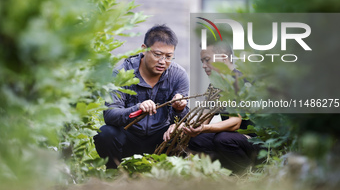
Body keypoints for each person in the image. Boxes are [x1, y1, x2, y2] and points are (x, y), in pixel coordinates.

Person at [94, 24, 189, 169]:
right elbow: (110, 114)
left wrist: (179, 109)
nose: (163, 61)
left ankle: (167, 175)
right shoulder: (122, 73)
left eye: (168, 56)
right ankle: (114, 174)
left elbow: (185, 119)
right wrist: (137, 109)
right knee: (105, 133)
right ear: (143, 49)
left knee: (184, 133)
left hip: (160, 140)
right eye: (157, 55)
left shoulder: (178, 75)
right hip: (128, 137)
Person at [165, 41, 259, 174]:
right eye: (202, 61)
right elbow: (203, 120)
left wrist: (204, 128)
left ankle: (247, 173)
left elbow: (235, 123)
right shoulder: (215, 86)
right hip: (236, 138)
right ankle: (224, 170)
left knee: (223, 139)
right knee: (196, 140)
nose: (204, 66)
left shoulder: (237, 81)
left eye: (207, 60)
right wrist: (183, 127)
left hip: (254, 141)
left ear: (223, 58)